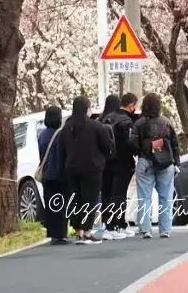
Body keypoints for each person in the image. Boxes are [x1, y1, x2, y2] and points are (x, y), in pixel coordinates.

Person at [59, 95, 114, 242]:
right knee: (89, 200)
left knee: (76, 199)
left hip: (71, 168)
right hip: (92, 168)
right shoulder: (96, 127)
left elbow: (62, 149)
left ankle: (78, 231)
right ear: (86, 109)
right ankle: (88, 231)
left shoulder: (66, 128)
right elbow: (107, 147)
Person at [132, 93, 180, 238]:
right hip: (166, 163)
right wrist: (176, 162)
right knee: (166, 197)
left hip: (145, 161)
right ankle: (165, 229)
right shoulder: (166, 122)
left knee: (144, 197)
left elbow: (133, 144)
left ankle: (145, 229)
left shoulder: (139, 124)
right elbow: (175, 144)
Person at [99, 93, 139, 239]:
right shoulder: (126, 122)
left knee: (107, 194)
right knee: (119, 195)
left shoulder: (105, 119)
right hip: (122, 163)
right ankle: (117, 225)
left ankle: (109, 225)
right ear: (131, 105)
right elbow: (131, 144)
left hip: (106, 163)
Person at [36, 107, 70, 244]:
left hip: (46, 175)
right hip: (60, 175)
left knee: (50, 205)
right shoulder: (60, 134)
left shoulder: (42, 135)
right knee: (62, 204)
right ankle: (61, 234)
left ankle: (53, 234)